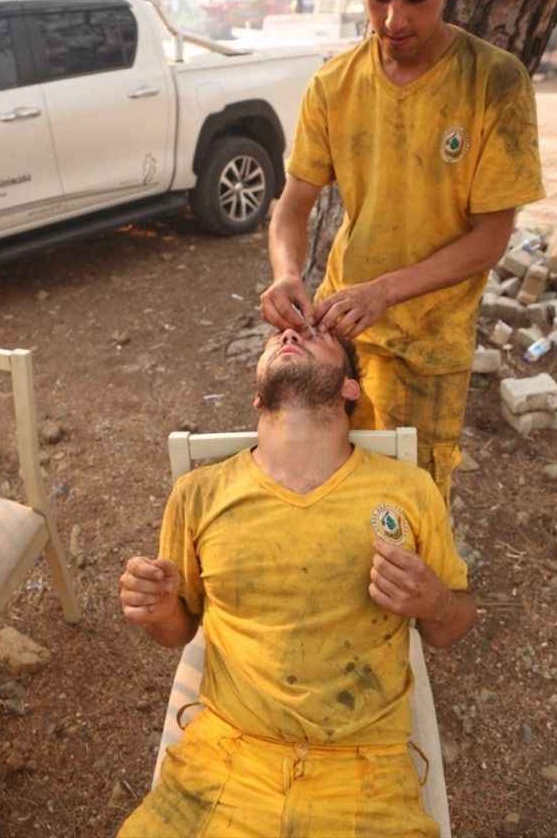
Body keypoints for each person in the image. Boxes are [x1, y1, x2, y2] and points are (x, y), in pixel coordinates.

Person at [117, 325, 476, 837]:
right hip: (223, 758)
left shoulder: (409, 488)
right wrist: (157, 611)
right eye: (277, 338)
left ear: (350, 387)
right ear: (258, 394)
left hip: (364, 772)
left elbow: (453, 624)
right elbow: (178, 631)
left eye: (316, 334)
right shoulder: (198, 492)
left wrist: (436, 604)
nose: (289, 332)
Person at [261, 0, 545, 506]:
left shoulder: (495, 82)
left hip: (428, 348)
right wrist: (286, 274)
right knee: (325, 490)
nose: (394, 20)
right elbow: (292, 209)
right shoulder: (333, 84)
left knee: (409, 504)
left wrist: (384, 291)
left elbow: (490, 238)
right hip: (339, 334)